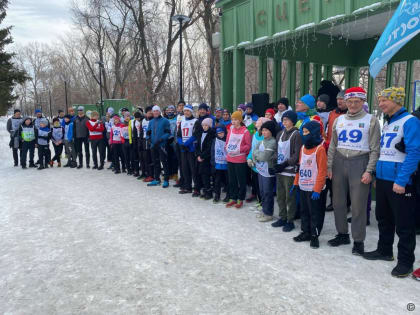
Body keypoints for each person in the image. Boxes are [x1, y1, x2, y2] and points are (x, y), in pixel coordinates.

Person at [363, 87, 420, 278]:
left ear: (396, 100)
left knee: (404, 224)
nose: (380, 104)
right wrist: (378, 175)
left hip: (400, 181)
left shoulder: (410, 121)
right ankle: (385, 250)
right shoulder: (389, 122)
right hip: (384, 179)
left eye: (384, 101)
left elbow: (414, 152)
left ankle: (405, 262)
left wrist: (402, 180)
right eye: (379, 101)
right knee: (383, 218)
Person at [327, 87, 381, 256]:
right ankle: (342, 233)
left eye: (356, 101)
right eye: (349, 101)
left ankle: (358, 240)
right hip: (339, 160)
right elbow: (333, 145)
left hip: (360, 161)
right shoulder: (339, 119)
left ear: (363, 102)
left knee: (358, 205)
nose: (352, 104)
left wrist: (369, 170)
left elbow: (375, 149)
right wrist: (329, 166)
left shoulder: (371, 120)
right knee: (338, 202)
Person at [291, 120, 327, 249]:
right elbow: (300, 167)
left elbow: (322, 171)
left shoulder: (320, 149)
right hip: (303, 186)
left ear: (313, 133)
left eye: (306, 132)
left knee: (315, 212)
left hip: (314, 188)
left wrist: (317, 189)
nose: (304, 134)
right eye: (303, 132)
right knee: (304, 211)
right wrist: (296, 183)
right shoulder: (302, 148)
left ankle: (314, 235)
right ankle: (305, 232)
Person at [270, 110, 302, 232]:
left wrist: (284, 164)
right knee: (280, 195)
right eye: (283, 120)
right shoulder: (280, 134)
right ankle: (282, 217)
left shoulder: (296, 134)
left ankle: (290, 220)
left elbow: (296, 154)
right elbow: (277, 151)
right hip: (280, 169)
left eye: (287, 120)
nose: (284, 122)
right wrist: (274, 163)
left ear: (292, 121)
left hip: (289, 171)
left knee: (290, 197)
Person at [324, 90, 347, 211]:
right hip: (331, 149)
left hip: (345, 151)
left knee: (344, 179)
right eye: (338, 99)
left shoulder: (351, 114)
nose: (340, 101)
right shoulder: (332, 113)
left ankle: (346, 203)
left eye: (342, 99)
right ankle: (333, 201)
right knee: (331, 177)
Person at [251, 120, 277, 222]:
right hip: (260, 170)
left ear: (271, 131)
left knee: (267, 192)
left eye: (266, 130)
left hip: (268, 171)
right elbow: (254, 152)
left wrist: (258, 155)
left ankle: (269, 213)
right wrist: (258, 155)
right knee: (262, 191)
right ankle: (264, 210)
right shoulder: (262, 141)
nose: (264, 132)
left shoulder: (273, 142)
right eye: (263, 130)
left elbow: (264, 157)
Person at [225, 111, 252, 209]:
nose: (233, 121)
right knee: (232, 180)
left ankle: (240, 198)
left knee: (241, 180)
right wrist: (227, 148)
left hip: (240, 159)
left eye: (235, 119)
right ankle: (233, 197)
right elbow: (227, 141)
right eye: (232, 119)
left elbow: (248, 146)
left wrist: (238, 149)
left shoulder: (245, 131)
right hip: (230, 158)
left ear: (240, 120)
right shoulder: (231, 130)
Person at [246, 117, 270, 207]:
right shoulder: (255, 134)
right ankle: (259, 200)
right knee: (256, 183)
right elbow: (253, 148)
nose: (257, 122)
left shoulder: (266, 136)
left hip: (262, 164)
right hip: (254, 164)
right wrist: (249, 158)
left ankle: (263, 203)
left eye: (259, 121)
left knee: (263, 187)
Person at [177, 104, 200, 194]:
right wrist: (181, 143)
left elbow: (196, 135)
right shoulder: (182, 121)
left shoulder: (196, 121)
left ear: (191, 112)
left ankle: (197, 188)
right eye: (185, 111)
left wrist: (187, 143)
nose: (186, 112)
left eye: (188, 111)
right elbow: (179, 134)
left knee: (193, 169)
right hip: (183, 148)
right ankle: (188, 186)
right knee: (185, 168)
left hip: (191, 148)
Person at [147, 106, 171, 188]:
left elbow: (168, 133)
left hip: (162, 145)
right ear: (152, 112)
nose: (156, 112)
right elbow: (148, 132)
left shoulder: (165, 121)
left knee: (164, 162)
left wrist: (161, 140)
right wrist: (149, 139)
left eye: (157, 111)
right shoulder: (151, 121)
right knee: (155, 162)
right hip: (153, 145)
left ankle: (166, 180)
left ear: (159, 111)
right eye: (154, 111)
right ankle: (157, 179)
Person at [196, 118, 215, 200]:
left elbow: (209, 147)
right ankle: (205, 190)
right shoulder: (200, 133)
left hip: (207, 158)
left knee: (206, 174)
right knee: (202, 174)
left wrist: (203, 156)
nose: (204, 127)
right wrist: (198, 155)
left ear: (210, 126)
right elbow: (197, 145)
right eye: (203, 125)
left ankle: (209, 191)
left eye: (206, 125)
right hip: (200, 157)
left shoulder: (211, 134)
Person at [211, 125, 229, 203]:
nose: (220, 134)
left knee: (227, 181)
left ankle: (228, 195)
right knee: (217, 181)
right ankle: (217, 195)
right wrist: (212, 162)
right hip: (218, 164)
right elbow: (212, 151)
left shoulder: (227, 139)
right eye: (219, 133)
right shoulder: (214, 140)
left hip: (226, 164)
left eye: (222, 133)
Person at [140, 106, 154, 182]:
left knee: (152, 158)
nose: (150, 114)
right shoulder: (143, 121)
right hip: (144, 141)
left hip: (152, 141)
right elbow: (141, 132)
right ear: (146, 113)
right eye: (149, 112)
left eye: (152, 112)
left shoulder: (153, 120)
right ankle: (148, 174)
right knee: (146, 158)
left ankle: (152, 175)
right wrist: (140, 142)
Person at [166, 105, 179, 181]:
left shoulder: (177, 119)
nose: (170, 112)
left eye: (171, 110)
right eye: (168, 110)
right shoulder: (165, 119)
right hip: (167, 140)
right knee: (168, 157)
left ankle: (175, 174)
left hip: (174, 140)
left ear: (174, 111)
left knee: (175, 158)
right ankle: (170, 173)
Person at [129, 111, 143, 177]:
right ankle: (136, 170)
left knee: (141, 155)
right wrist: (131, 141)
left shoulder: (142, 121)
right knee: (135, 156)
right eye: (136, 118)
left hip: (140, 139)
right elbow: (130, 131)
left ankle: (143, 170)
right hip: (134, 139)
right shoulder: (132, 122)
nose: (137, 119)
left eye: (138, 118)